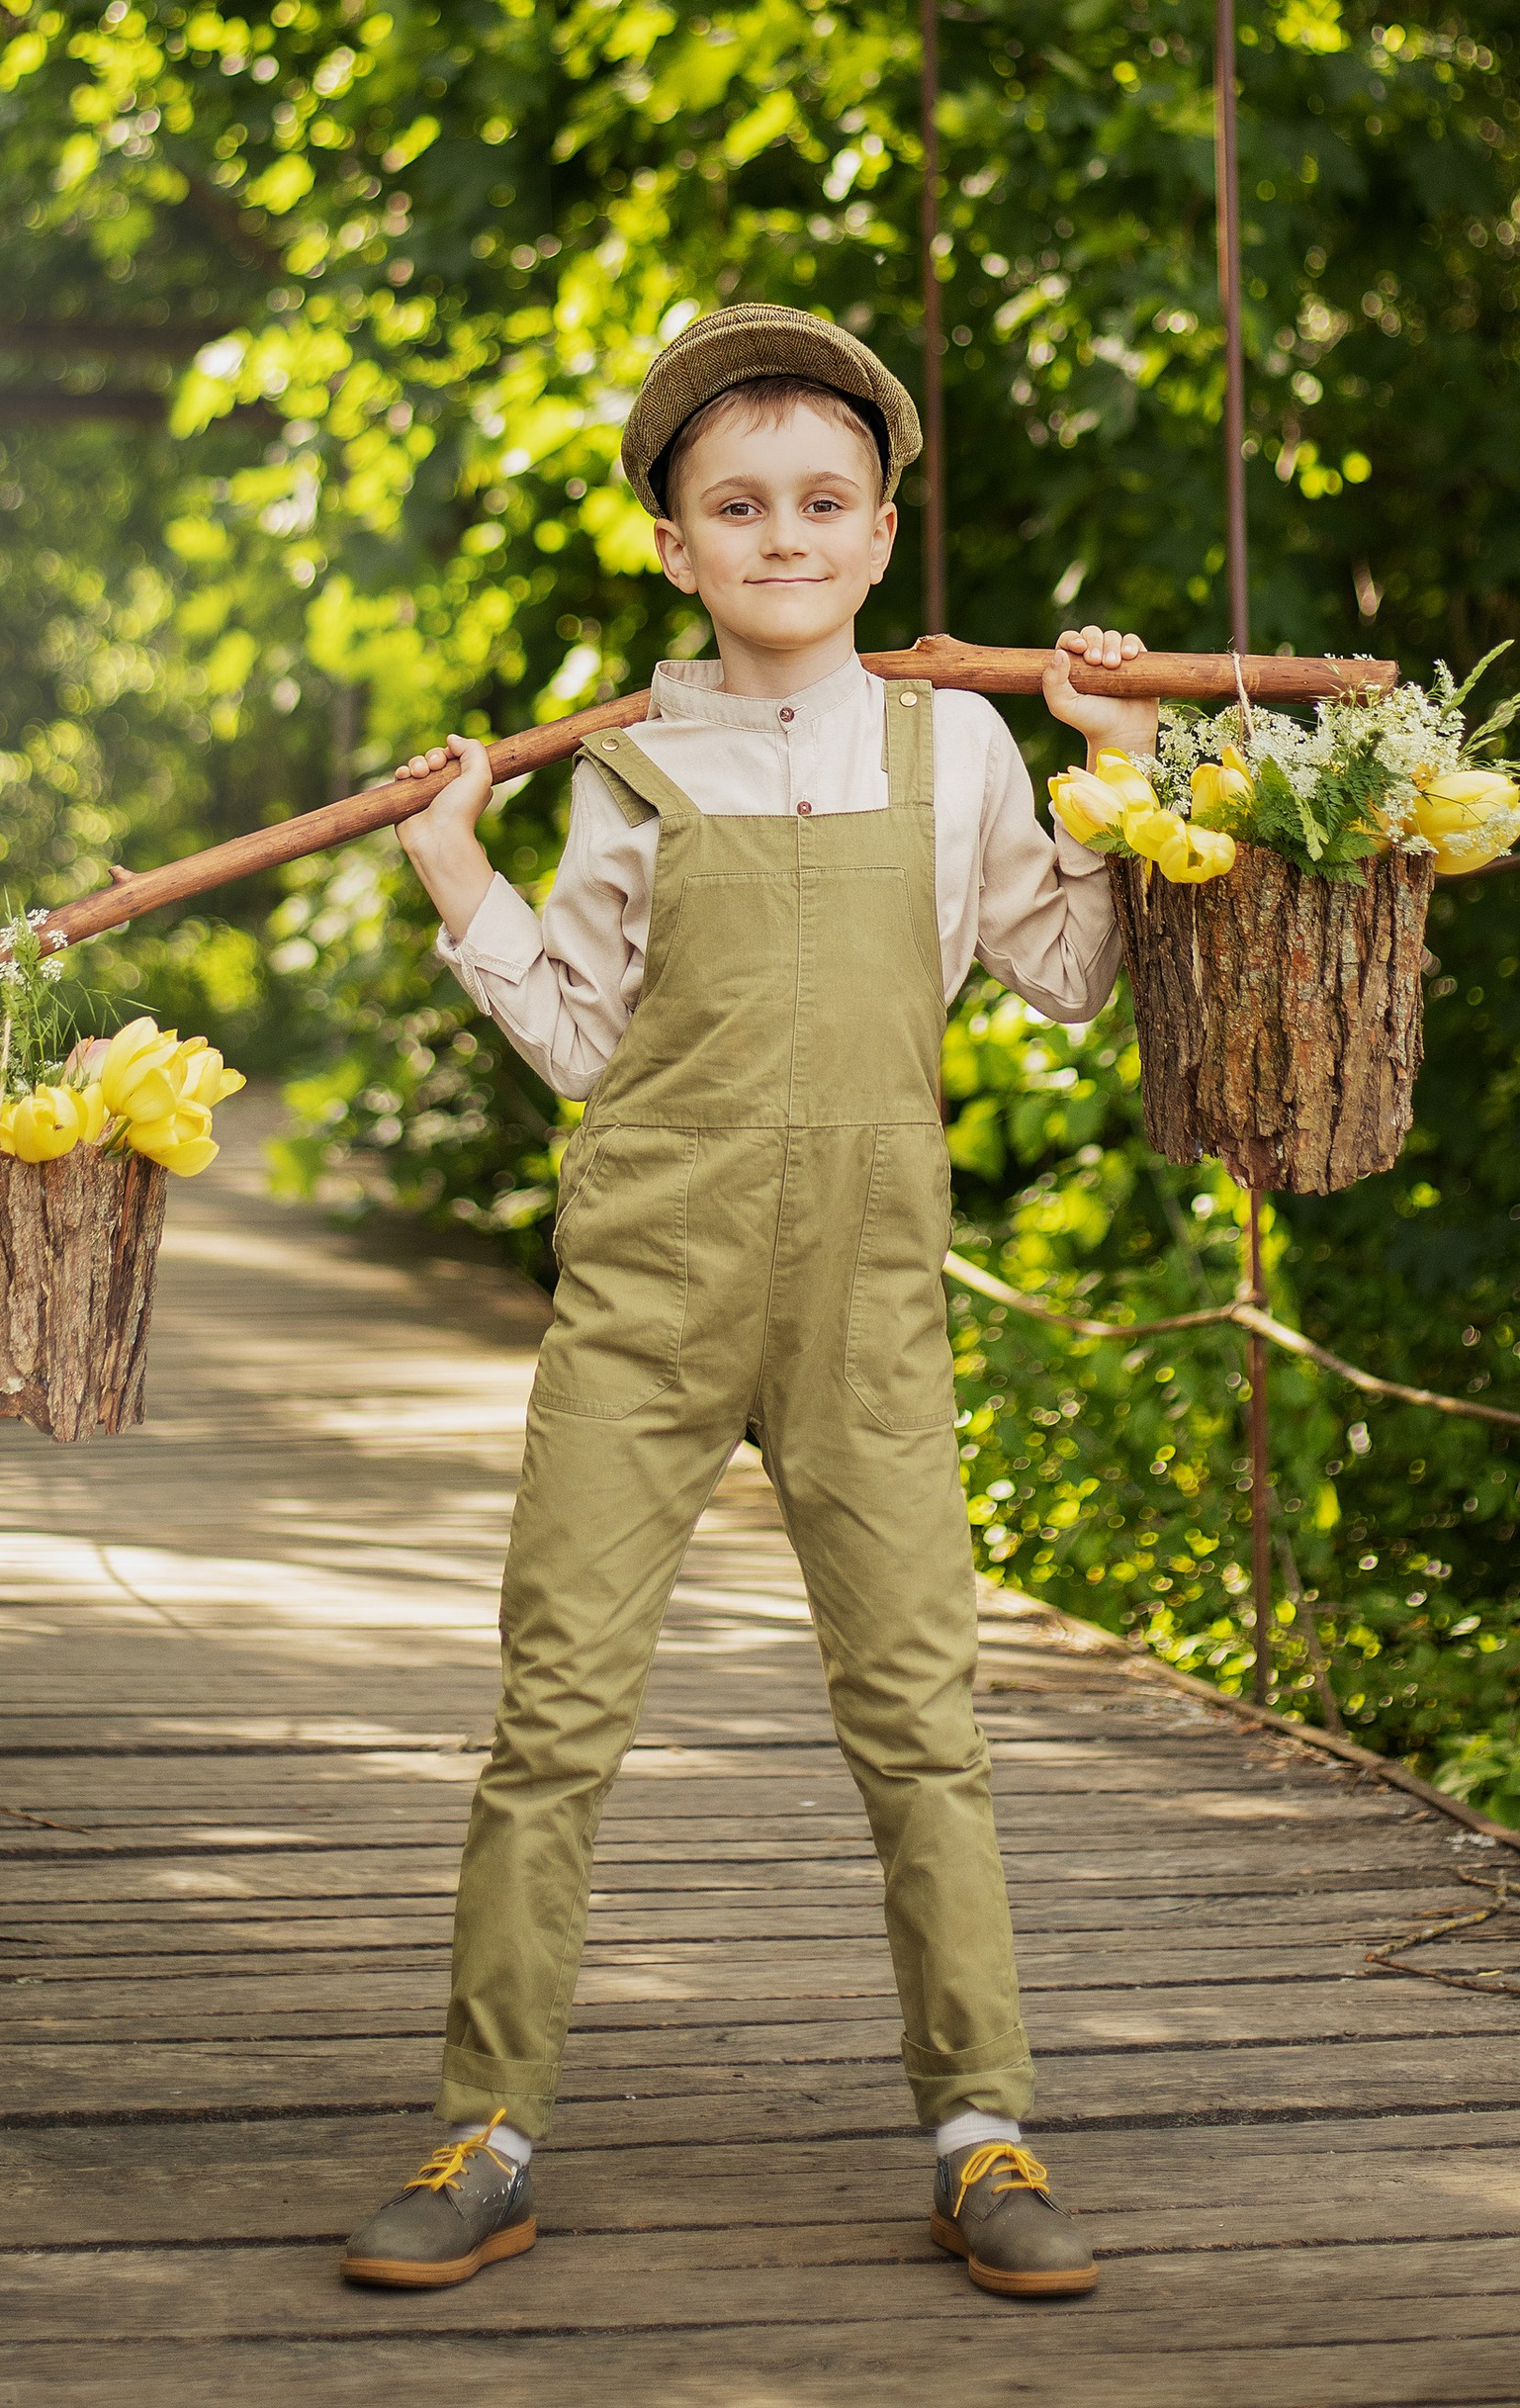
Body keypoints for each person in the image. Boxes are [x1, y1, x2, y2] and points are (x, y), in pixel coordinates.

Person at [339, 301, 1154, 2305]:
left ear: (879, 537)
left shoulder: (945, 738)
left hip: (866, 1299)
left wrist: (1110, 778)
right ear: (671, 543)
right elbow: (586, 1035)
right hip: (647, 1290)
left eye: (818, 501)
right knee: (554, 1716)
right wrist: (461, 870)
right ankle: (485, 2129)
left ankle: (980, 2129)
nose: (778, 534)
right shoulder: (623, 765)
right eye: (734, 505)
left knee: (915, 1719)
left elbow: (1062, 970)